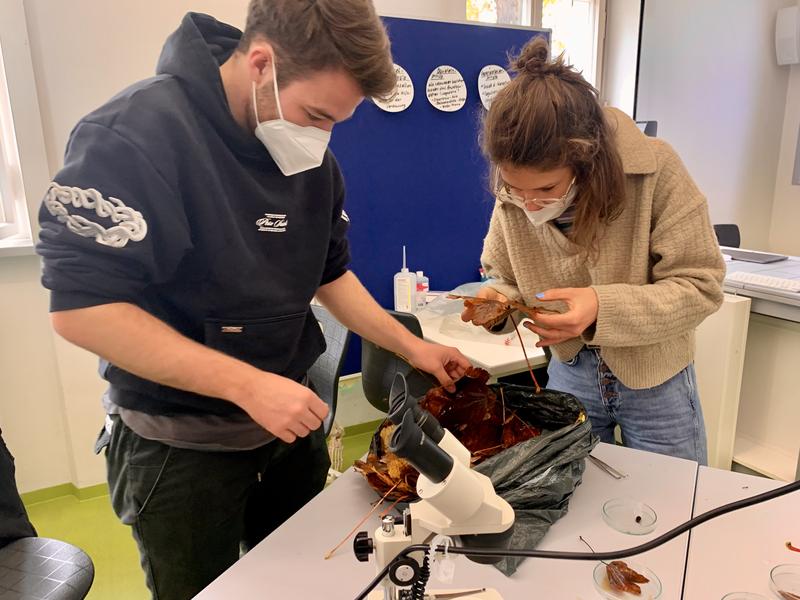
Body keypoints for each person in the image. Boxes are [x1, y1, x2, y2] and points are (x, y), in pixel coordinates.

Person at [36, 3, 469, 598]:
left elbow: (330, 274)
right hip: (180, 452)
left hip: (289, 438)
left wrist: (411, 346)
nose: (322, 137)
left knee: (295, 583)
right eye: (317, 114)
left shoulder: (313, 162)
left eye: (337, 122)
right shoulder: (134, 136)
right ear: (262, 63)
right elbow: (83, 310)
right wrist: (247, 385)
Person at [462, 38, 724, 465]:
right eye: (514, 188)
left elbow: (702, 286)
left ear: (588, 161)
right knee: (575, 504)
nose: (528, 204)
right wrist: (497, 301)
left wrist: (600, 307)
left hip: (656, 378)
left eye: (546, 189)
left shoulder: (655, 171)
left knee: (675, 508)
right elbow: (505, 276)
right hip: (570, 373)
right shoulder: (517, 187)